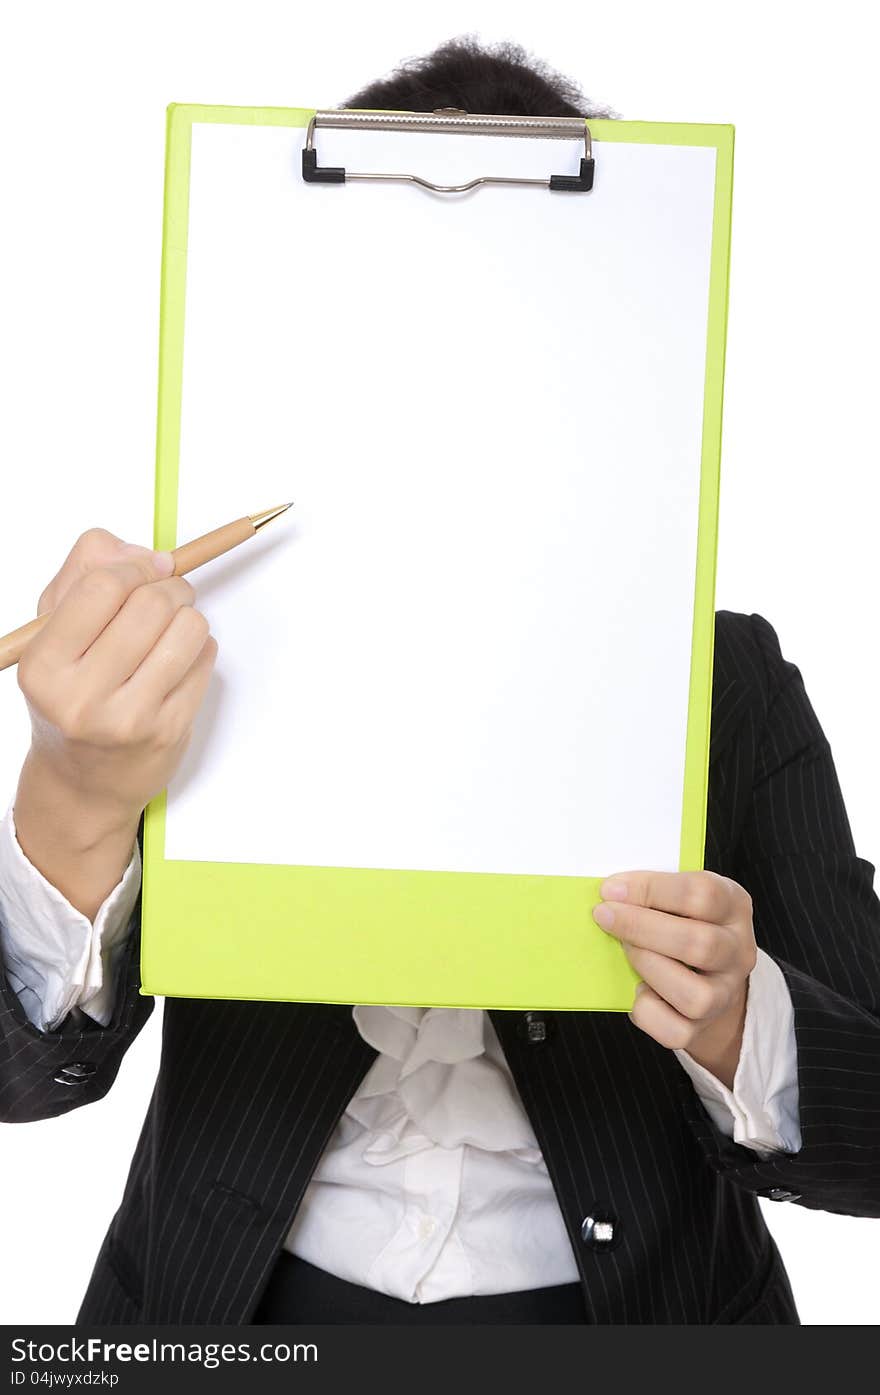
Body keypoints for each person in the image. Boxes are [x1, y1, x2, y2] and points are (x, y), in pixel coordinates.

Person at [1, 37, 879, 1327]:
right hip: (229, 1319)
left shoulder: (727, 675)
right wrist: (74, 801)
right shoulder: (188, 657)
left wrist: (746, 1023)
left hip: (642, 1317)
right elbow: (28, 1086)